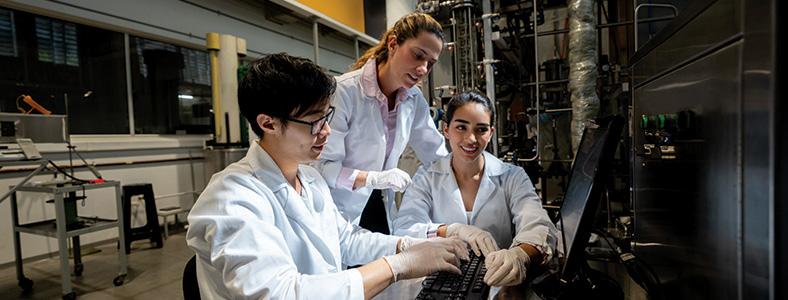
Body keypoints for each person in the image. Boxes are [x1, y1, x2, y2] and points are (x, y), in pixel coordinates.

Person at [186, 53, 469, 299]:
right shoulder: (230, 199)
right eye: (314, 121)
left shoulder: (310, 180)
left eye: (327, 116)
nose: (327, 132)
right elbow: (280, 294)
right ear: (268, 123)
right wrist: (397, 266)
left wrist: (409, 245)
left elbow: (346, 240)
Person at [392, 90, 559, 287]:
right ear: (446, 129)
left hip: (498, 282)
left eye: (481, 129)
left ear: (491, 133)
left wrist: (519, 255)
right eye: (461, 127)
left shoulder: (512, 176)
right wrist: (451, 230)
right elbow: (404, 229)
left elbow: (539, 226)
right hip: (441, 282)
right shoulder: (427, 177)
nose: (471, 139)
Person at [315, 12, 448, 234]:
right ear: (393, 44)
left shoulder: (413, 99)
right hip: (337, 207)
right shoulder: (344, 91)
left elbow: (435, 154)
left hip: (379, 205)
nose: (423, 69)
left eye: (430, 63)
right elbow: (322, 167)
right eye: (418, 55)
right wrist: (374, 178)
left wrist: (474, 176)